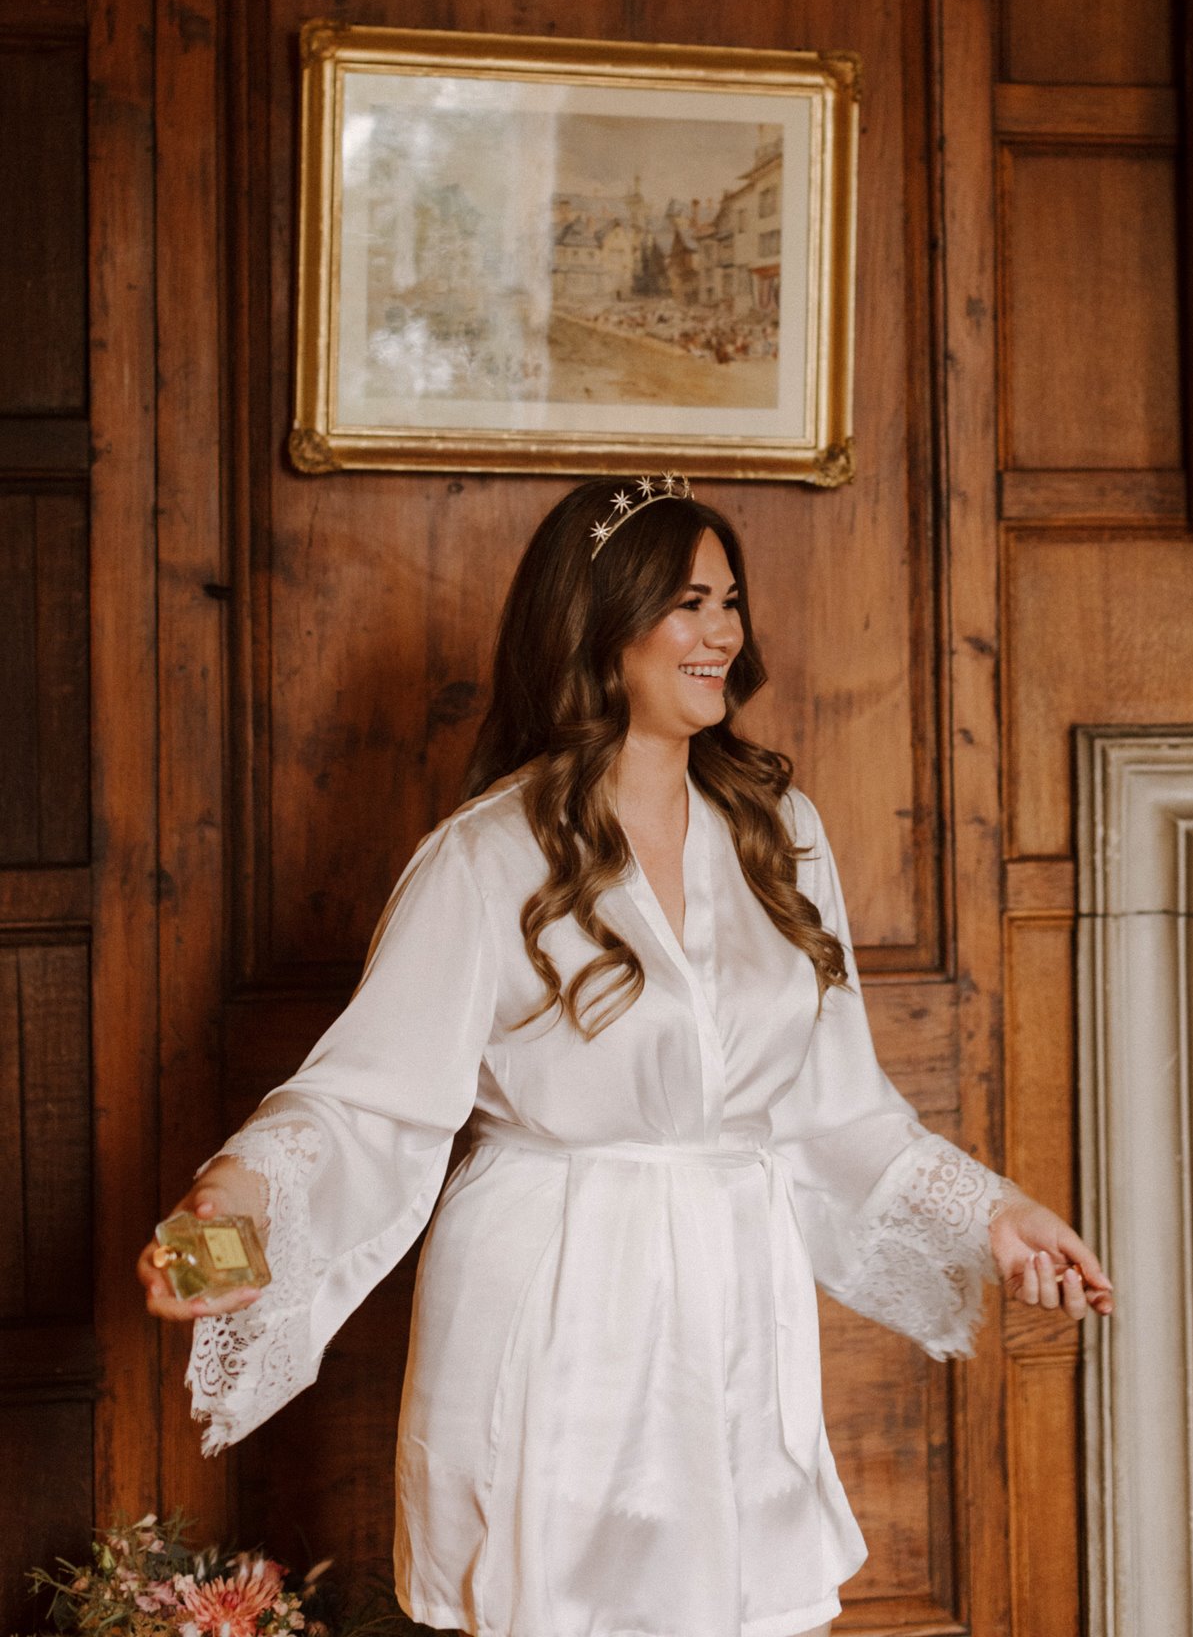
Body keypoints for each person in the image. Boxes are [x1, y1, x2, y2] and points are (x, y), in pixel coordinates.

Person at [137, 473, 1112, 1637]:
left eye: (730, 601)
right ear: (599, 623)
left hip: (734, 1298)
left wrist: (992, 1216)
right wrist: (223, 1214)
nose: (723, 632)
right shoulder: (486, 856)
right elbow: (362, 1105)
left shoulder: (778, 833)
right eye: (688, 602)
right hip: (554, 1290)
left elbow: (836, 1111)